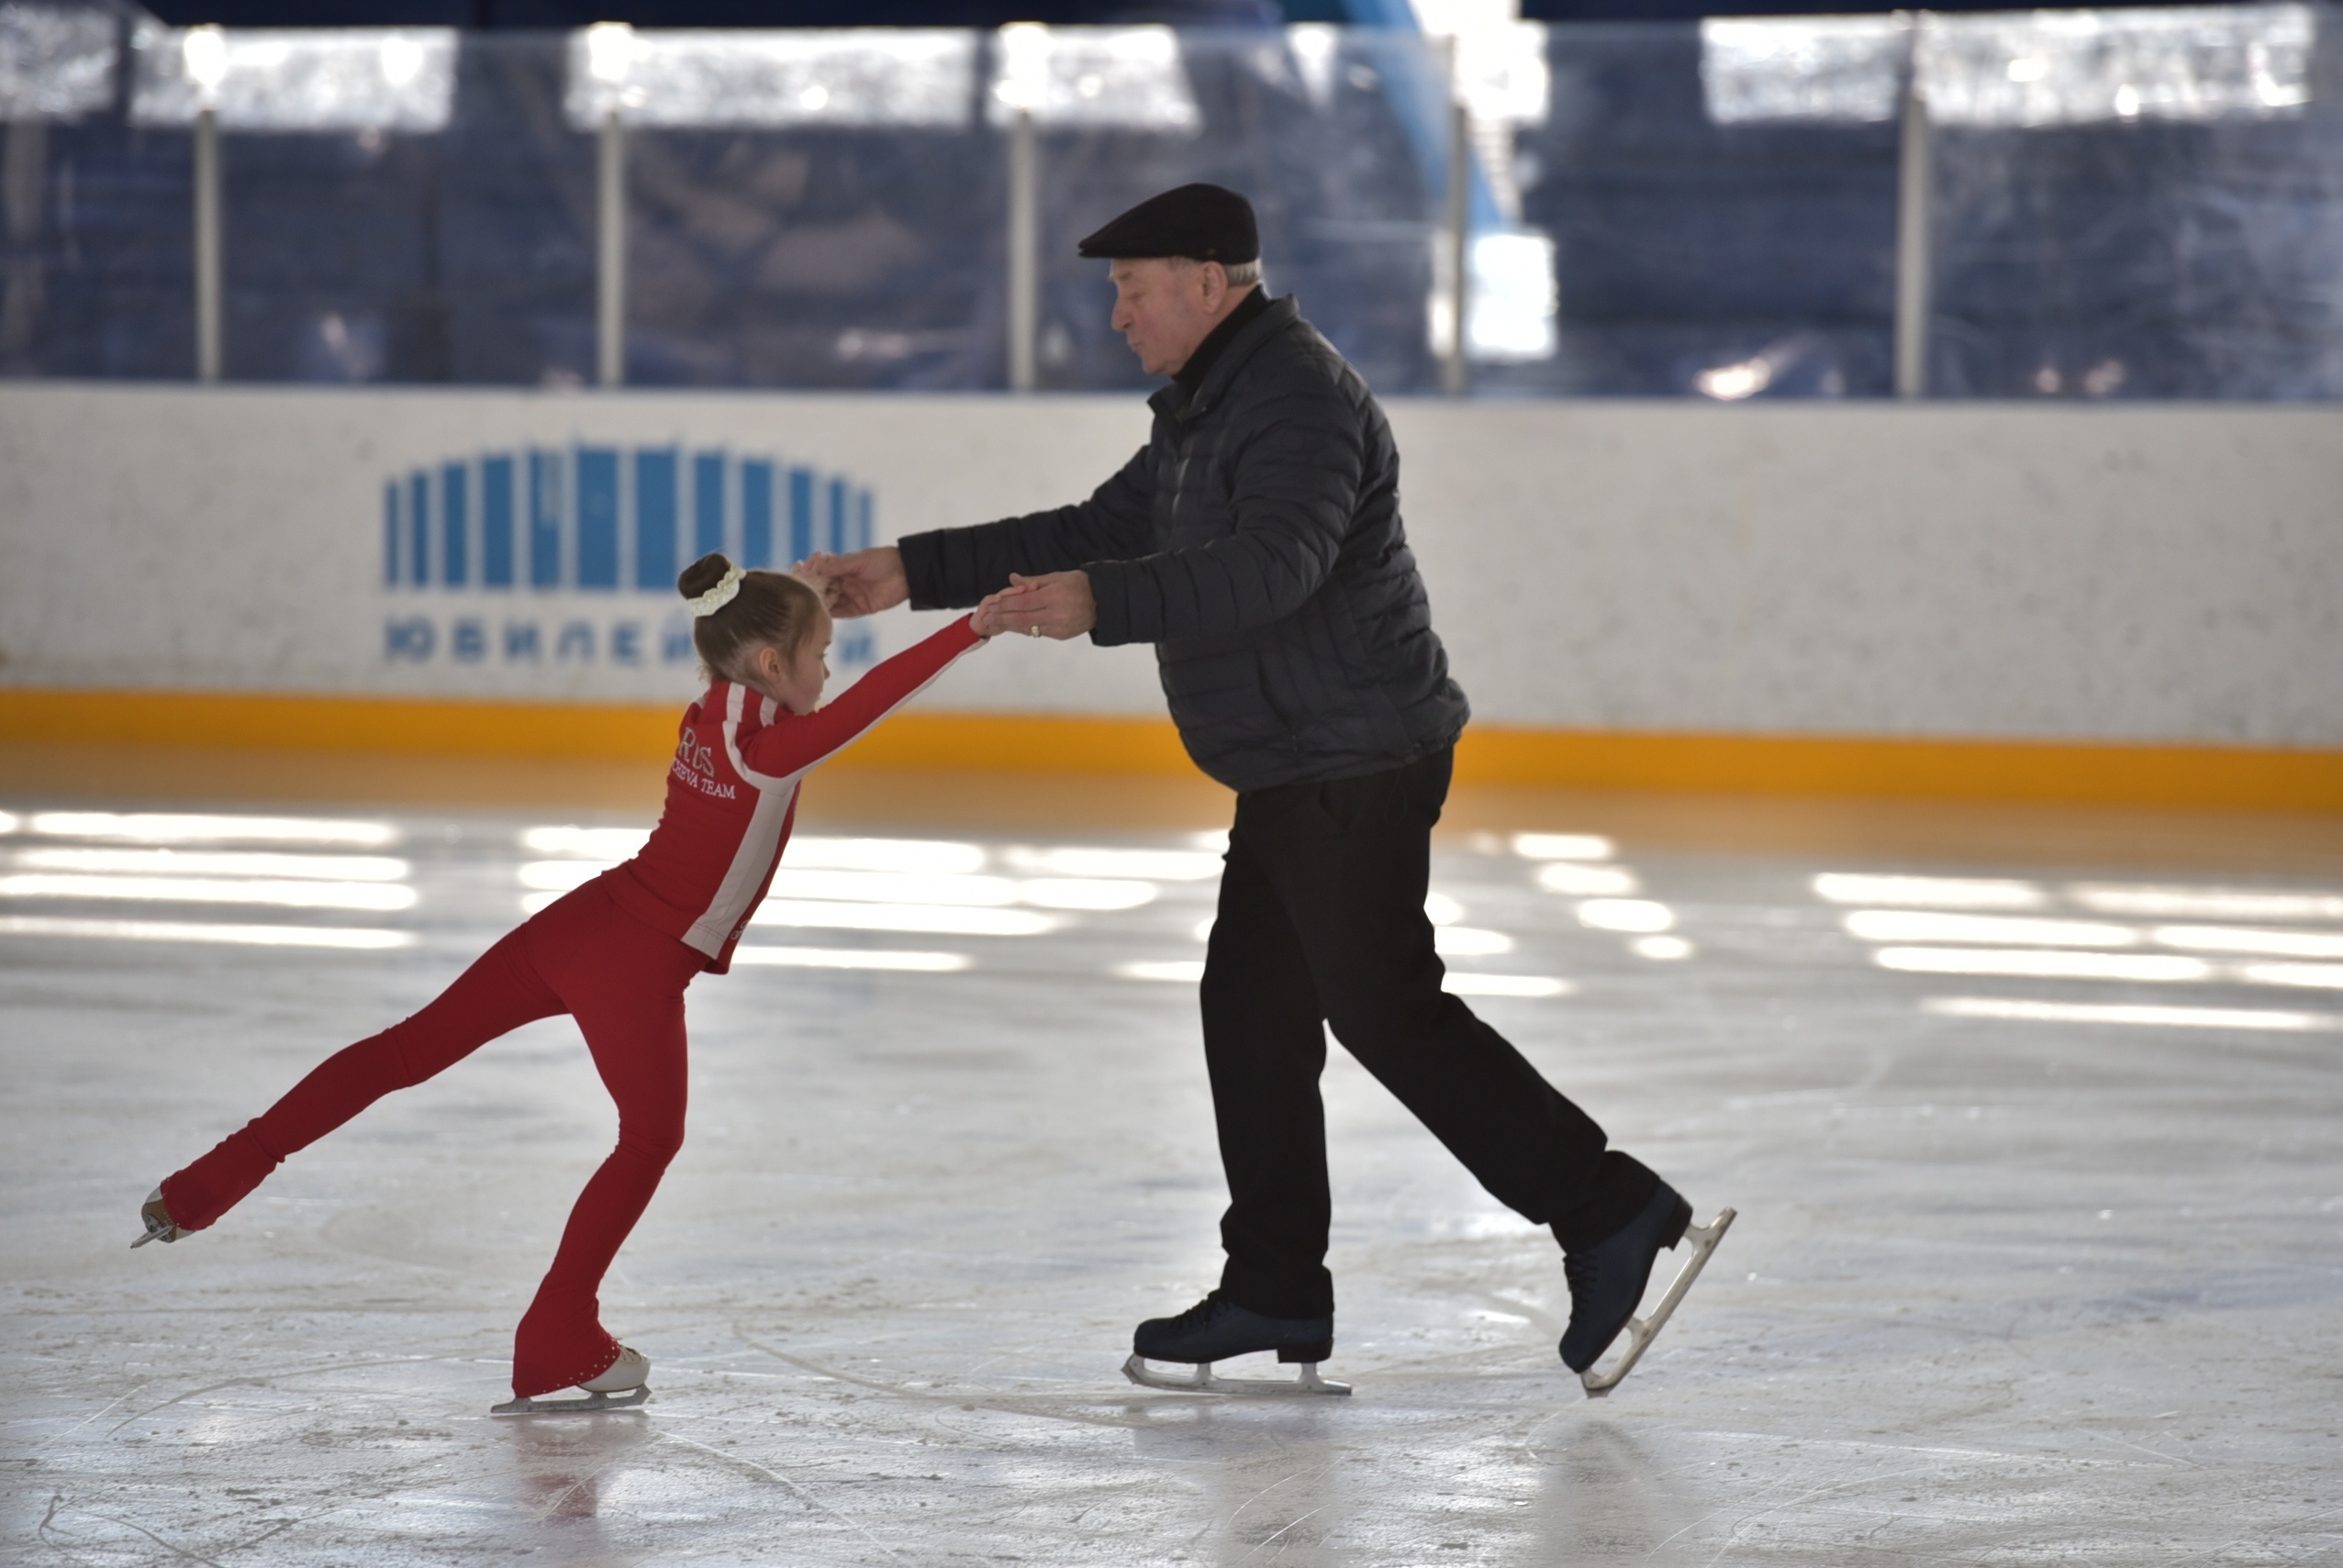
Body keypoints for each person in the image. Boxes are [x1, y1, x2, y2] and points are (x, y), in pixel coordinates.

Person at [800, 183, 1731, 1395]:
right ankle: (1276, 1286)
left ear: (1205, 280)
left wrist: (1106, 604)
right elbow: (1105, 524)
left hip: (1355, 756)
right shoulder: (1210, 404)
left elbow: (1271, 569)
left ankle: (1609, 1207)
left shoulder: (1294, 397)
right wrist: (909, 572)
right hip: (1302, 760)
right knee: (1251, 1013)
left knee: (1386, 1009)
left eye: (1133, 290)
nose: (1121, 316)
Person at [133, 553, 1010, 1414]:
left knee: (407, 1049)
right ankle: (557, 1333)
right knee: (649, 1140)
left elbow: (748, 631)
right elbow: (866, 705)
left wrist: (804, 597)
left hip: (580, 924)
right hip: (638, 963)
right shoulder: (769, 747)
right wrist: (972, 627)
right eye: (821, 654)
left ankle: (203, 1184)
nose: (830, 669)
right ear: (777, 667)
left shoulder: (713, 704)